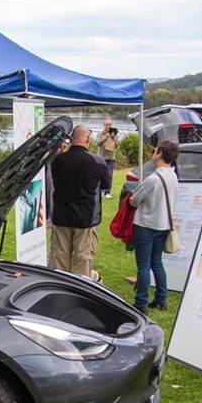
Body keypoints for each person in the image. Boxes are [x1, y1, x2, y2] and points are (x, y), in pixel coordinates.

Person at [49, 125, 111, 282]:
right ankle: (81, 291)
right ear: (87, 139)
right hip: (85, 219)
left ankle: (58, 290)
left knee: (59, 259)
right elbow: (105, 184)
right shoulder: (96, 161)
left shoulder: (58, 160)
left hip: (61, 217)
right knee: (83, 261)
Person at [129, 140, 180, 314]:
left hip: (146, 224)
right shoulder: (173, 177)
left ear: (160, 154)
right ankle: (161, 297)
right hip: (164, 225)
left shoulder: (153, 179)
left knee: (143, 264)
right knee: (157, 262)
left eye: (155, 151)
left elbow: (135, 199)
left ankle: (141, 301)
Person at [95, 118, 118, 199]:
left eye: (110, 124)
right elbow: (98, 143)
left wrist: (113, 138)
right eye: (107, 124)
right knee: (100, 175)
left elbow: (116, 145)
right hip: (101, 157)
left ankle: (107, 192)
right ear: (103, 125)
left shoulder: (114, 134)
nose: (108, 126)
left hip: (111, 158)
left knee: (109, 175)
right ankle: (100, 190)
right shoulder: (100, 134)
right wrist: (105, 137)